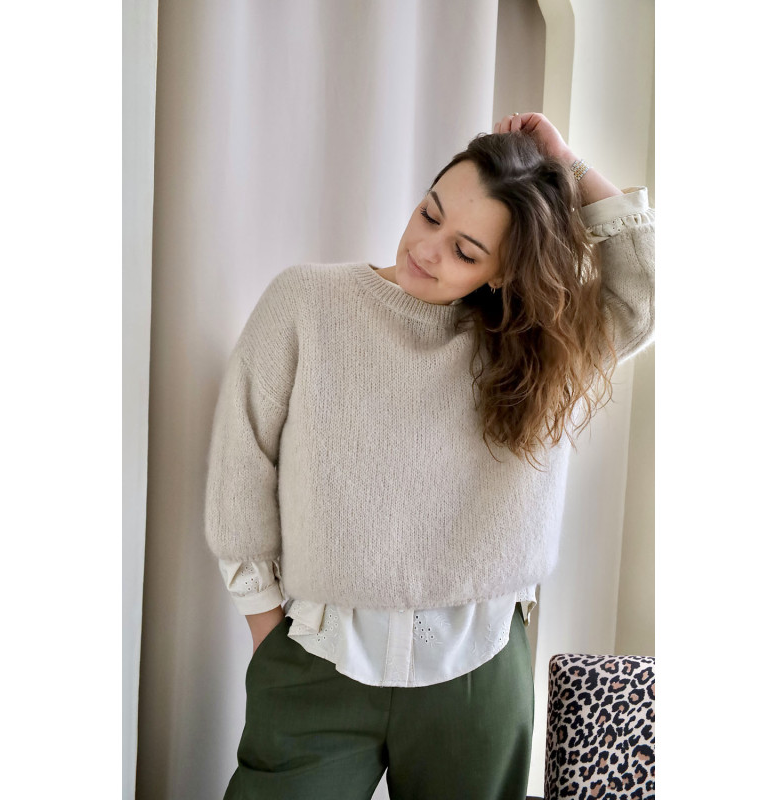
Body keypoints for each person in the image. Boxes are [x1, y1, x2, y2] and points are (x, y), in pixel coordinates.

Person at [204, 111, 655, 800]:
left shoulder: (541, 356)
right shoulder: (306, 304)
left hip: (479, 671)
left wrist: (566, 164)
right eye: (430, 213)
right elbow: (241, 470)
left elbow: (642, 294)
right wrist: (272, 641)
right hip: (320, 660)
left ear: (506, 270)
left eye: (466, 251)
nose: (426, 249)